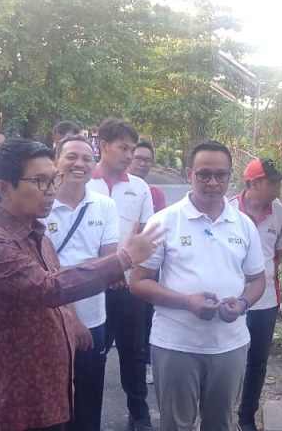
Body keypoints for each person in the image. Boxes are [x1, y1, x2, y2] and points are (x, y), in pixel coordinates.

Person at [0, 138, 165, 431]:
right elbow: (49, 288)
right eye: (40, 181)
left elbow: (55, 285)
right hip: (12, 399)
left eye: (52, 179)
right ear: (4, 188)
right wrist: (124, 258)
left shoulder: (36, 233)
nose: (51, 190)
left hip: (47, 389)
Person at [131, 140, 266, 431]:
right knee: (175, 425)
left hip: (229, 346)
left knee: (219, 424)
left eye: (220, 175)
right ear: (189, 174)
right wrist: (187, 302)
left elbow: (258, 280)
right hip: (175, 345)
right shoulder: (163, 221)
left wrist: (243, 303)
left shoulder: (244, 225)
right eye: (204, 174)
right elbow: (138, 282)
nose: (212, 182)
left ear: (230, 177)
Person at [42, 135, 120, 431]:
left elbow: (108, 265)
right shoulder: (41, 205)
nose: (80, 164)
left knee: (89, 400)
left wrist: (64, 270)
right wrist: (72, 319)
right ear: (56, 162)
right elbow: (41, 273)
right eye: (72, 156)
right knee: (53, 404)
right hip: (50, 321)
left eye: (87, 158)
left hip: (94, 319)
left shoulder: (104, 205)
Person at [86, 118, 156, 431]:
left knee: (134, 352)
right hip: (89, 286)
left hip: (128, 286)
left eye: (132, 149)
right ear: (103, 146)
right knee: (92, 353)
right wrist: (105, 268)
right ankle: (87, 418)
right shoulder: (84, 183)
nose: (129, 156)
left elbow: (145, 234)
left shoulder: (139, 188)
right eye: (123, 148)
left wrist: (129, 269)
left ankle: (139, 414)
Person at [230, 158, 282, 431]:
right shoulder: (229, 211)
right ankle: (220, 410)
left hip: (266, 300)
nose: (278, 187)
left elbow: (278, 255)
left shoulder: (281, 214)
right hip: (231, 299)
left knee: (257, 361)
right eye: (272, 182)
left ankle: (246, 417)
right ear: (253, 183)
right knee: (228, 357)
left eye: (278, 182)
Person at [127, 140, 167, 385]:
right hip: (115, 265)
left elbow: (155, 230)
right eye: (138, 158)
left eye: (147, 160)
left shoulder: (155, 194)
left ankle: (148, 364)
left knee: (145, 317)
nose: (143, 164)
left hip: (146, 262)